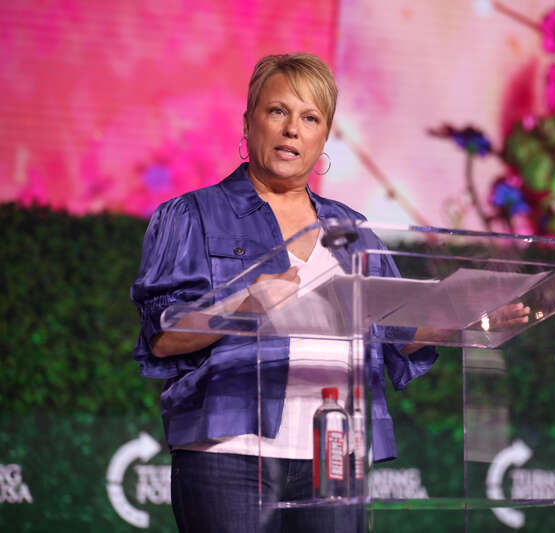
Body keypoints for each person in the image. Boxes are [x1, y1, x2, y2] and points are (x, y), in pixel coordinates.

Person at [130, 53, 439, 532]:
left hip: (335, 456)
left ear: (324, 135)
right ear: (250, 121)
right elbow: (163, 334)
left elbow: (397, 336)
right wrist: (239, 308)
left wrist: (469, 317)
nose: (293, 129)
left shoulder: (355, 232)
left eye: (310, 117)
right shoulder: (193, 215)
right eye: (278, 112)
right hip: (230, 455)